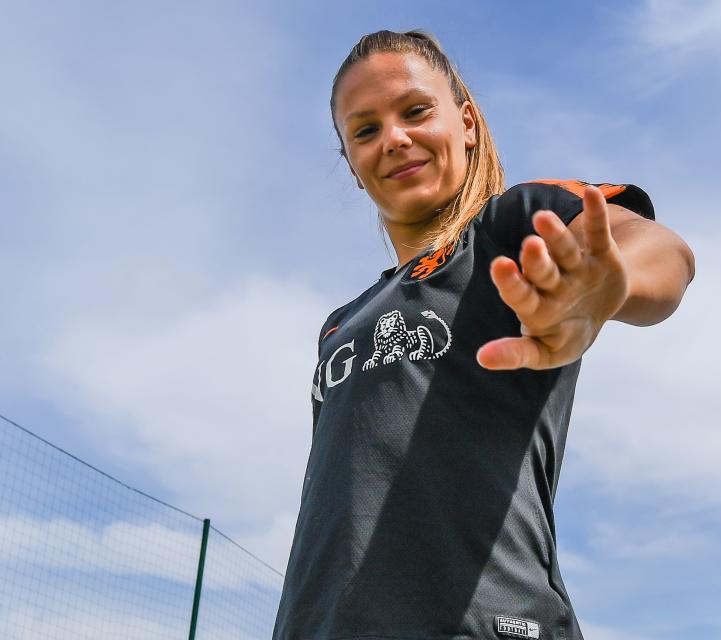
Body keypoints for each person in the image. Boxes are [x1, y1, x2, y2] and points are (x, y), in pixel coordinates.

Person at [272, 29, 695, 640]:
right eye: (364, 130)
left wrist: (611, 285)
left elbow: (661, 252)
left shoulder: (510, 229)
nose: (394, 138)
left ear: (466, 122)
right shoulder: (340, 324)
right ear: (354, 168)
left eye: (415, 111)